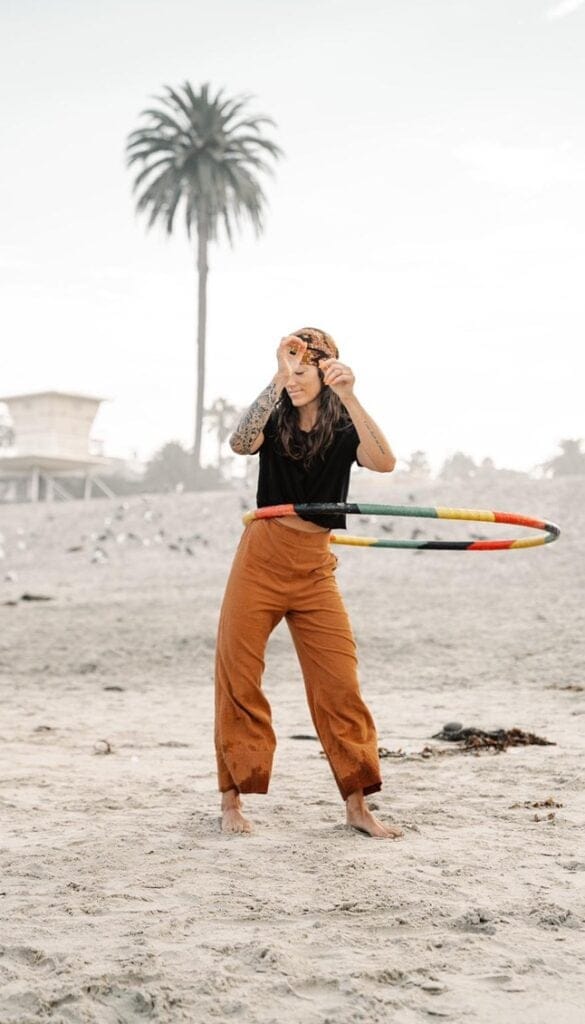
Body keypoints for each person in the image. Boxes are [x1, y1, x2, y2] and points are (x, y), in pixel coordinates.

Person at [215, 327, 404, 840]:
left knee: (339, 685)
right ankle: (232, 801)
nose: (294, 380)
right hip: (261, 557)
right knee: (239, 677)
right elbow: (238, 443)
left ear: (326, 370)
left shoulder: (345, 427)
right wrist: (277, 379)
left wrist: (350, 394)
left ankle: (357, 806)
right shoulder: (273, 418)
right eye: (288, 369)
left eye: (303, 370)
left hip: (315, 565)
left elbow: (384, 461)